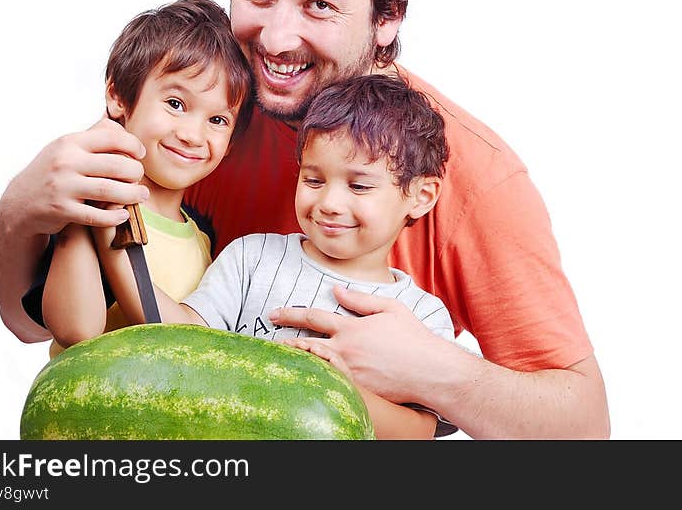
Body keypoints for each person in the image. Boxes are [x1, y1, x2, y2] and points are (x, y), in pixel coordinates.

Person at [0, 0, 610, 439]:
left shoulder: (474, 175)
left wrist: (434, 373)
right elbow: (39, 325)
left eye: (319, 4)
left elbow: (584, 425)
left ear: (389, 15)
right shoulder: (207, 118)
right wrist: (20, 214)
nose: (278, 39)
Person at [84, 73, 457, 439]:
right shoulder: (252, 258)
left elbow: (419, 431)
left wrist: (338, 389)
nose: (329, 203)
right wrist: (112, 241)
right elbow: (180, 337)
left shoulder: (421, 317)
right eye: (313, 180)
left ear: (421, 196)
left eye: (359, 185)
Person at [41, 0, 252, 356]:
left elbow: (193, 345)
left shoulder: (203, 241)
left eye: (217, 120)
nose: (192, 134)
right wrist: (90, 217)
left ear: (231, 143)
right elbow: (76, 328)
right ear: (118, 96)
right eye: (175, 104)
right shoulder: (87, 209)